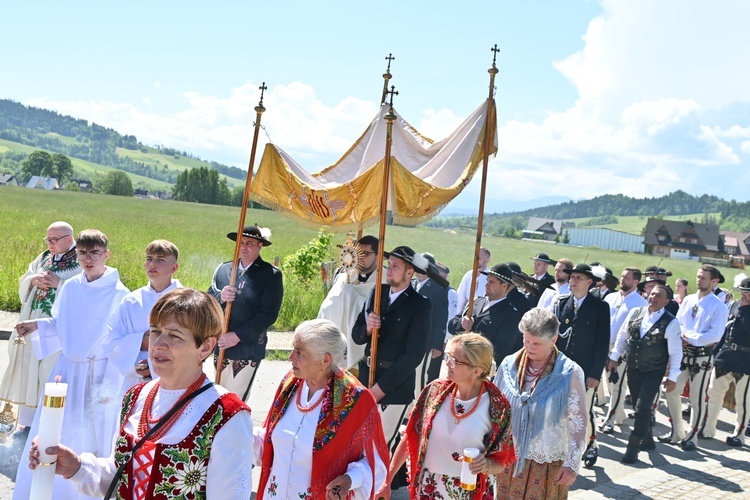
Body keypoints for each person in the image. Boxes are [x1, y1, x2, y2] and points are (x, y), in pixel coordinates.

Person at [27, 288, 254, 498]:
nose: (158, 344)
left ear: (205, 347)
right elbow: (120, 477)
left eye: (174, 336)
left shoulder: (227, 415)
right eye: (155, 332)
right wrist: (76, 467)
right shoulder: (135, 396)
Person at [13, 229, 130, 500]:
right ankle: (50, 490)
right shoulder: (72, 287)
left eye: (94, 253)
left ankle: (87, 490)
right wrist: (36, 325)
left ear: (106, 255)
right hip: (67, 369)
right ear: (76, 255)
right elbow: (60, 323)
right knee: (58, 427)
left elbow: (122, 334)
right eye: (82, 253)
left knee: (94, 431)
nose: (88, 259)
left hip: (100, 371)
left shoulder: (119, 292)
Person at [255, 319, 389, 499]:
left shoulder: (357, 400)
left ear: (325, 360)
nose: (290, 357)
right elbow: (270, 440)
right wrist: (239, 429)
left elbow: (376, 465)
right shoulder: (289, 384)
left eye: (299, 352)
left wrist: (350, 479)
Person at [390, 333, 514, 499]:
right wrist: (388, 479)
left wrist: (485, 465)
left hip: (469, 491)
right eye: (448, 356)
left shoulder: (497, 405)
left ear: (476, 370)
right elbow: (411, 436)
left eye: (455, 360)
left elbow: (501, 460)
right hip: (429, 486)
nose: (447, 363)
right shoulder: (434, 392)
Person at [495, 308, 586, 498]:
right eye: (526, 340)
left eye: (537, 343)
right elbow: (494, 410)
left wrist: (572, 464)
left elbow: (577, 423)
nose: (529, 347)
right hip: (508, 460)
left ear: (554, 340)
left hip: (546, 464)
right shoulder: (508, 365)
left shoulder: (570, 373)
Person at [0, 221, 80, 430]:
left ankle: (48, 423)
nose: (50, 243)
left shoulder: (80, 261)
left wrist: (59, 284)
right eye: (48, 239)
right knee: (29, 368)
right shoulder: (44, 257)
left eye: (55, 240)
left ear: (69, 239)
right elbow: (26, 278)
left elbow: (84, 291)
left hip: (56, 330)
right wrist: (33, 279)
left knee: (48, 371)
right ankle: (26, 421)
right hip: (31, 322)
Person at [351, 245, 431, 452]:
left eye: (396, 266)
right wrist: (367, 329)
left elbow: (413, 355)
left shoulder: (419, 304)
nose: (389, 269)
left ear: (410, 272)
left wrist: (381, 389)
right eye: (389, 264)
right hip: (366, 375)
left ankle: (379, 484)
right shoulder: (377, 292)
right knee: (355, 441)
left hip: (394, 387)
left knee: (378, 447)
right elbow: (356, 334)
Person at [607, 285, 682, 464]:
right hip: (633, 369)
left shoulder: (671, 322)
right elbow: (622, 337)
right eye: (652, 294)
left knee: (642, 408)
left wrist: (672, 377)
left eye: (659, 296)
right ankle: (647, 440)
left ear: (666, 301)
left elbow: (676, 352)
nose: (654, 298)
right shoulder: (635, 313)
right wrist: (614, 357)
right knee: (638, 406)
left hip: (653, 372)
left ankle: (632, 447)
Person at [208, 224, 283, 402]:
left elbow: (268, 314)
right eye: (241, 243)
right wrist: (220, 296)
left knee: (234, 401)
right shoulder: (224, 270)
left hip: (247, 348)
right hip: (222, 344)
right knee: (217, 397)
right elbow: (208, 301)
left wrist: (238, 335)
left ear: (260, 246)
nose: (244, 247)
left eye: (249, 243)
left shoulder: (270, 274)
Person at [659, 264, 729, 451]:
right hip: (682, 354)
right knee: (671, 391)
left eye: (703, 278)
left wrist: (690, 338)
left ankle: (692, 435)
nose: (699, 280)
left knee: (697, 398)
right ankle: (677, 431)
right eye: (698, 277)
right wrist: (679, 336)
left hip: (702, 357)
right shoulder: (689, 300)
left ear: (714, 281)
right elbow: (678, 323)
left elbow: (715, 334)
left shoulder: (718, 306)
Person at [102, 240, 182, 400]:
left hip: (172, 382)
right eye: (149, 259)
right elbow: (110, 339)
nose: (153, 264)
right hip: (133, 380)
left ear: (174, 267)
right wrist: (140, 343)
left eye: (160, 260)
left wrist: (153, 367)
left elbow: (189, 344)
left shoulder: (184, 301)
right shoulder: (131, 300)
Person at [554, 263, 610, 467]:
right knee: (560, 410)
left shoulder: (600, 307)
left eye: (578, 278)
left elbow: (602, 342)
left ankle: (586, 446)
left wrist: (595, 373)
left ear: (590, 282)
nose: (573, 281)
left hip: (585, 370)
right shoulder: (562, 303)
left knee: (583, 411)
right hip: (561, 369)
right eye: (571, 277)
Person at [318, 235, 384, 370]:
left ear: (378, 256)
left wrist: (351, 294)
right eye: (357, 252)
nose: (359, 257)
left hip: (365, 349)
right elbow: (328, 306)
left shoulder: (384, 281)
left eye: (365, 253)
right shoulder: (345, 277)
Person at [701, 277, 750, 446]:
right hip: (725, 356)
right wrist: (714, 354)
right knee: (713, 393)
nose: (744, 296)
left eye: (748, 293)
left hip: (745, 360)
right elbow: (725, 330)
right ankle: (708, 428)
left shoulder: (743, 309)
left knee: (742, 400)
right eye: (743, 292)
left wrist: (744, 311)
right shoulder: (734, 305)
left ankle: (739, 434)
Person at [448, 263, 522, 368]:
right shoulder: (476, 302)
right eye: (487, 280)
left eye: (492, 282)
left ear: (504, 286)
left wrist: (474, 358)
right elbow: (451, 326)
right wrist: (462, 324)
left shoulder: (509, 314)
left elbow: (502, 350)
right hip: (459, 363)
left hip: (480, 368)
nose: (487, 285)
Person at [601, 267, 647, 434]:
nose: (622, 280)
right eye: (621, 276)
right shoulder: (610, 297)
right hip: (603, 345)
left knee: (617, 384)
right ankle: (619, 414)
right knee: (607, 382)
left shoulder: (641, 303)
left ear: (635, 282)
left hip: (621, 350)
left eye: (626, 278)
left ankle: (611, 419)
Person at [412, 252, 449, 389]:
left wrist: (437, 344)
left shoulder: (438, 288)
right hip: (411, 338)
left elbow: (441, 317)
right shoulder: (413, 283)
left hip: (426, 340)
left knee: (421, 375)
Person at [456, 246, 491, 314]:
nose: (476, 261)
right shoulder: (468, 275)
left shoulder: (490, 278)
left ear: (487, 260)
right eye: (475, 258)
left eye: (479, 258)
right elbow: (460, 297)